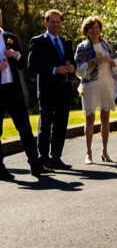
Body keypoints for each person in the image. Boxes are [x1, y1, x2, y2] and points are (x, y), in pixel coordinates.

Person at [0, 9, 49, 179]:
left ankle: (35, 165)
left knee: (25, 128)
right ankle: (0, 168)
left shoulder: (10, 37)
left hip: (13, 90)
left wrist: (16, 54)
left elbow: (22, 63)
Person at [27, 9, 76, 169]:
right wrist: (55, 69)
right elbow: (32, 66)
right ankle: (44, 159)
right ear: (46, 23)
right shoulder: (38, 41)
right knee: (45, 126)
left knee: (61, 125)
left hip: (63, 89)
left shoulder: (66, 40)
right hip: (47, 90)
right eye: (52, 22)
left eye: (58, 22)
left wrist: (72, 68)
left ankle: (56, 158)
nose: (55, 25)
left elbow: (71, 60)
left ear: (61, 23)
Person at [74, 16, 117, 164]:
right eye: (91, 28)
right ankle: (88, 153)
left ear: (100, 29)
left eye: (96, 27)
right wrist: (91, 62)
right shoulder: (82, 47)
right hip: (90, 86)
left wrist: (110, 60)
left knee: (105, 118)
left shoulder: (107, 45)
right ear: (86, 31)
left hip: (106, 83)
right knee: (90, 119)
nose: (94, 31)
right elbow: (78, 70)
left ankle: (104, 151)